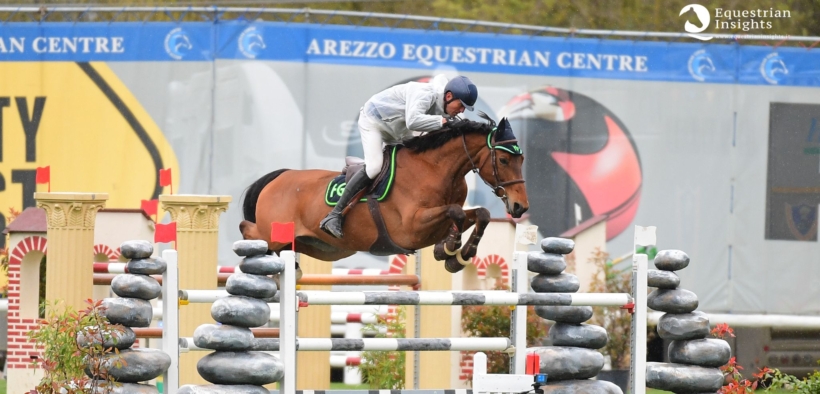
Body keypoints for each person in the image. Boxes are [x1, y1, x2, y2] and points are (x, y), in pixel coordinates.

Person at [320, 74, 479, 239]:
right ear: (448, 96)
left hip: (397, 128)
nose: (461, 111)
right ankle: (334, 214)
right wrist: (444, 123)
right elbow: (413, 121)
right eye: (461, 105)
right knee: (374, 167)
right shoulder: (426, 94)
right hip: (374, 122)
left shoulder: (446, 107)